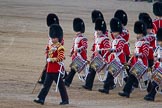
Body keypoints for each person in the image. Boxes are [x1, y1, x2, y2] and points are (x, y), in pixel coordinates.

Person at [34, 24, 69, 105]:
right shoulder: (51, 46)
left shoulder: (60, 47)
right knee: (45, 86)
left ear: (58, 38)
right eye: (52, 38)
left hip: (56, 70)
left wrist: (52, 59)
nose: (53, 39)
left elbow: (61, 58)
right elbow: (49, 54)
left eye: (55, 38)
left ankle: (65, 100)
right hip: (50, 70)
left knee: (61, 87)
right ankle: (41, 98)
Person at [118, 21, 149, 98]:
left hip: (142, 64)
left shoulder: (145, 43)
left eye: (138, 34)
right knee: (146, 80)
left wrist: (137, 55)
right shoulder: (138, 42)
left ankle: (126, 92)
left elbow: (145, 54)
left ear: (142, 34)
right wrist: (130, 60)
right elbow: (135, 53)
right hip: (138, 64)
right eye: (137, 34)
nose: (137, 35)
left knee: (132, 77)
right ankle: (151, 93)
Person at [98, 18, 126, 94]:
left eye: (115, 32)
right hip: (115, 60)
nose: (113, 33)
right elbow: (110, 50)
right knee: (112, 74)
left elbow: (119, 49)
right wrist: (104, 56)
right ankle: (106, 88)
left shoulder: (121, 40)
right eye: (113, 32)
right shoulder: (114, 40)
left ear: (119, 32)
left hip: (120, 60)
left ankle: (106, 88)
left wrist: (112, 51)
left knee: (124, 76)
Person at [82, 18, 111, 91]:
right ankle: (88, 85)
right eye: (97, 30)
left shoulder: (105, 39)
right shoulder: (97, 39)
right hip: (97, 59)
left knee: (107, 72)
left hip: (102, 59)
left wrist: (100, 52)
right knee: (92, 70)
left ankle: (111, 84)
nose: (98, 32)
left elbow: (107, 49)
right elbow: (95, 49)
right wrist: (93, 56)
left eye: (99, 30)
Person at [64, 18, 88, 87]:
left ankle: (67, 82)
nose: (77, 33)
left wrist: (79, 49)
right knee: (77, 70)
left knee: (77, 70)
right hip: (76, 57)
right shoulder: (76, 38)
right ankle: (67, 82)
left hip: (81, 57)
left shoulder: (83, 38)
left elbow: (85, 46)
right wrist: (72, 51)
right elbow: (74, 46)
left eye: (79, 31)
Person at [38, 13, 61, 84]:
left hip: (54, 49)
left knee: (50, 64)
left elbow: (59, 41)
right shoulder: (54, 30)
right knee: (49, 64)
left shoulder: (56, 31)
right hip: (51, 49)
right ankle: (44, 79)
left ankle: (44, 79)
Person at [144, 28, 162, 101]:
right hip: (160, 68)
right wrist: (155, 59)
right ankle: (151, 95)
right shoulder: (158, 48)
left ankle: (151, 95)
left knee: (156, 81)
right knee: (155, 81)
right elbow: (155, 55)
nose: (159, 42)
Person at [139, 13, 156, 87]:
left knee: (151, 70)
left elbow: (147, 40)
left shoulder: (152, 35)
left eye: (150, 28)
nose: (149, 30)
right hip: (144, 56)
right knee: (145, 70)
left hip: (151, 56)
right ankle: (147, 83)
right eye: (147, 28)